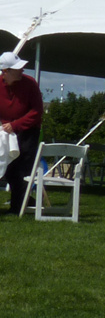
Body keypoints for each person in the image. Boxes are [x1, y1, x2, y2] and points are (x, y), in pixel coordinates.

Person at [0, 51, 43, 213]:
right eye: (17, 68)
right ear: (5, 72)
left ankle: (18, 207)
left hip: (28, 131)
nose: (22, 70)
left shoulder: (30, 83)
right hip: (6, 132)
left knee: (23, 168)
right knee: (7, 168)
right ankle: (21, 202)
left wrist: (16, 125)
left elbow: (37, 111)